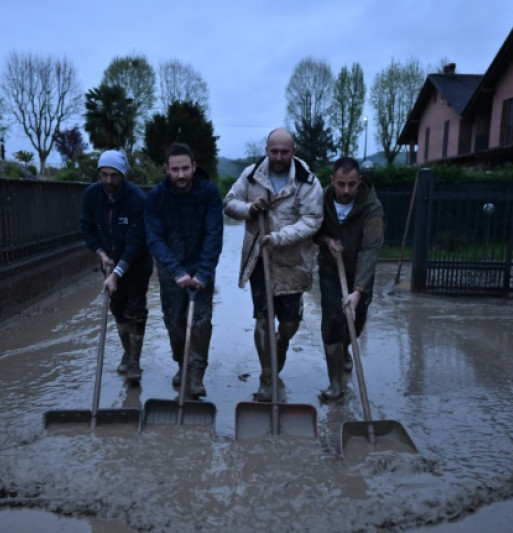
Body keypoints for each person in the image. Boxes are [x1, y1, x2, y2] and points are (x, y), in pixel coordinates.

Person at [223, 128, 324, 402]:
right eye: (274, 151)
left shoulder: (307, 181)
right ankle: (267, 377)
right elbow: (229, 203)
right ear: (267, 150)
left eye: (285, 151)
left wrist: (278, 238)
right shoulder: (251, 175)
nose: (279, 156)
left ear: (293, 152)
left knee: (289, 323)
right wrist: (250, 209)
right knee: (263, 318)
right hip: (260, 259)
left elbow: (312, 221)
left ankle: (281, 344)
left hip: (293, 263)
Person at [144, 142, 223, 398]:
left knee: (200, 322)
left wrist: (203, 271)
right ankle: (182, 364)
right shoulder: (156, 197)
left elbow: (214, 234)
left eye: (185, 169)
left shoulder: (209, 193)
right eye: (175, 169)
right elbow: (154, 238)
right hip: (171, 271)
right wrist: (175, 271)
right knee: (175, 324)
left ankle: (196, 375)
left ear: (193, 167)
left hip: (201, 269)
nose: (180, 175)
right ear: (166, 169)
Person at [79, 149, 154, 384]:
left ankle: (134, 362)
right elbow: (87, 226)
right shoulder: (92, 195)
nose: (108, 180)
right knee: (118, 310)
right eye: (104, 174)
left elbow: (136, 241)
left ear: (123, 174)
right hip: (109, 261)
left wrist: (119, 272)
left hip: (137, 262)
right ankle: (127, 352)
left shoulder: (137, 199)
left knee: (136, 311)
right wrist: (100, 252)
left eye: (114, 175)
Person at [314, 156, 384, 402]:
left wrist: (358, 290)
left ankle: (344, 349)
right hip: (331, 268)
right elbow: (311, 229)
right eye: (341, 184)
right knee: (333, 318)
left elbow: (371, 249)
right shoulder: (320, 199)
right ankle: (335, 383)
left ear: (359, 181)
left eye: (351, 184)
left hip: (360, 272)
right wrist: (326, 240)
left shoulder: (372, 207)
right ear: (332, 180)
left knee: (356, 319)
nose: (346, 191)